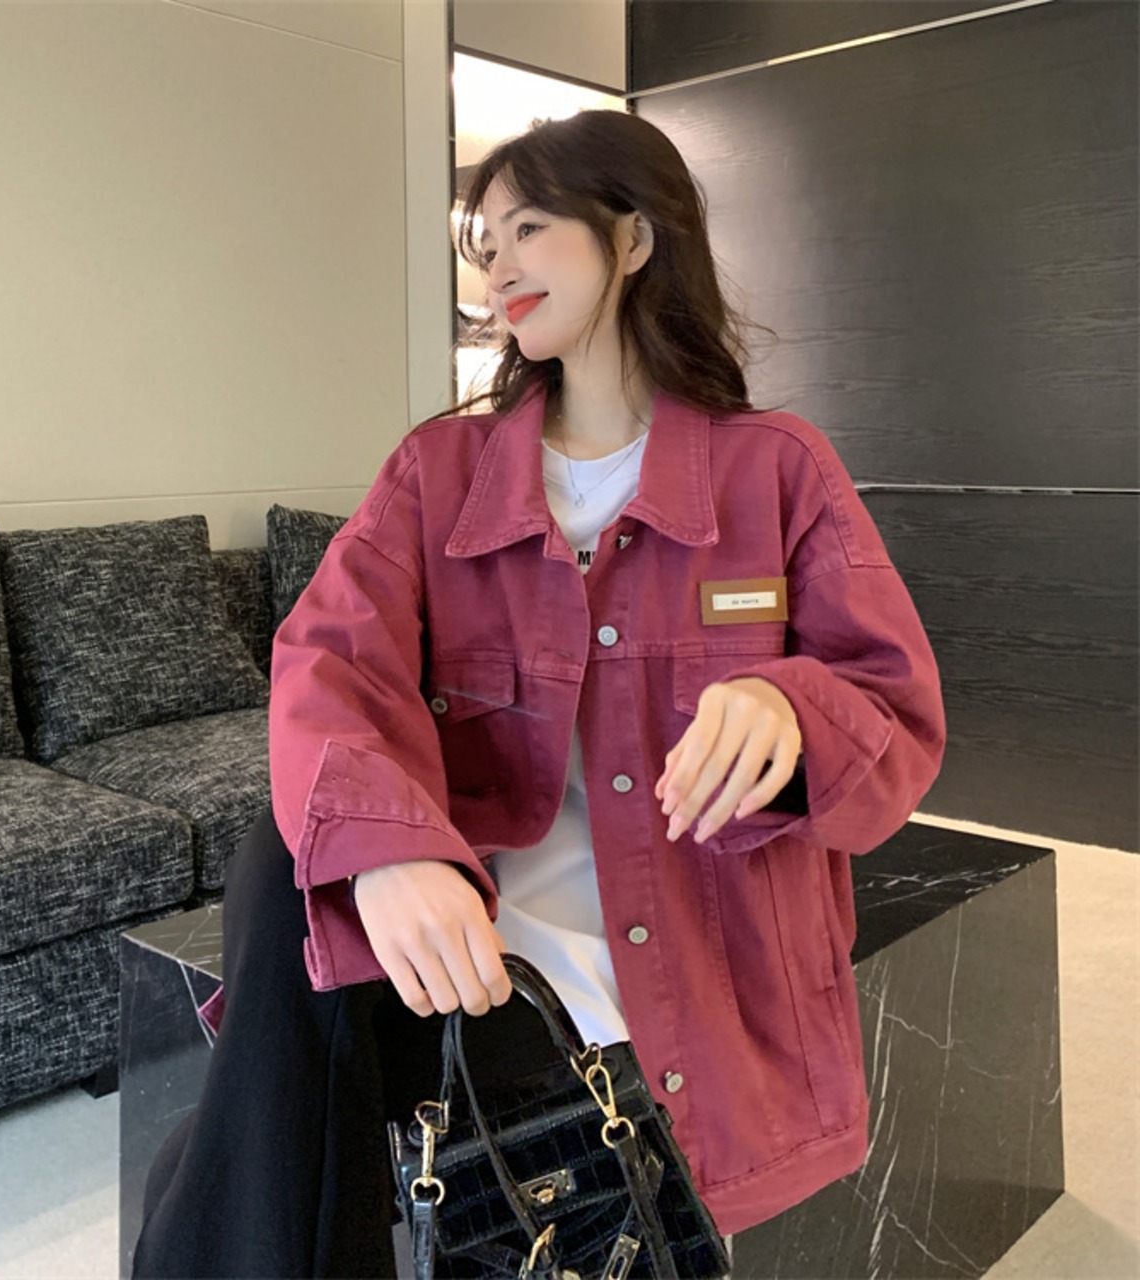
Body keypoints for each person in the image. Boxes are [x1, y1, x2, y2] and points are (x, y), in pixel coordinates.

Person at [132, 109, 946, 1278]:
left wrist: (788, 708)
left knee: (242, 1154)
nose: (495, 269)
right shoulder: (438, 472)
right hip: (474, 970)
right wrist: (386, 849)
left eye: (527, 229)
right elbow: (327, 659)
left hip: (693, 987)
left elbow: (895, 718)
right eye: (484, 242)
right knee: (284, 864)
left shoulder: (776, 469)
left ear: (631, 237)